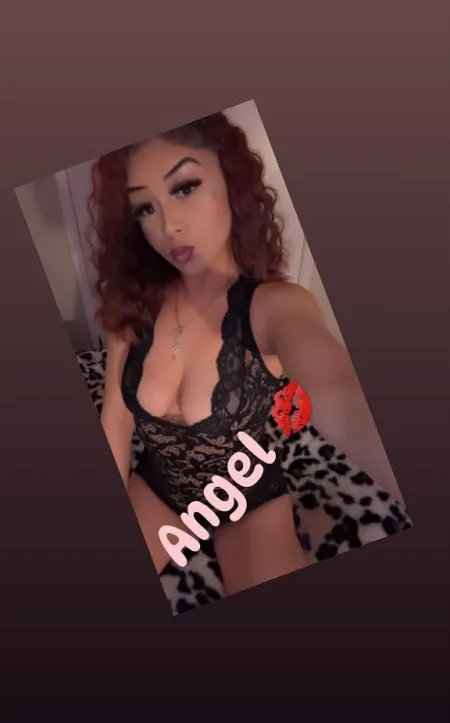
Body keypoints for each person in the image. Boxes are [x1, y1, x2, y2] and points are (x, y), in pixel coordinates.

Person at [89, 111, 401, 596]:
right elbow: (115, 419)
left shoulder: (275, 306)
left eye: (184, 187)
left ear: (230, 179)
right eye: (145, 208)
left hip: (245, 494)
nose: (168, 225)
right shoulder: (132, 303)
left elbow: (339, 387)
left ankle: (304, 520)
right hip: (158, 487)